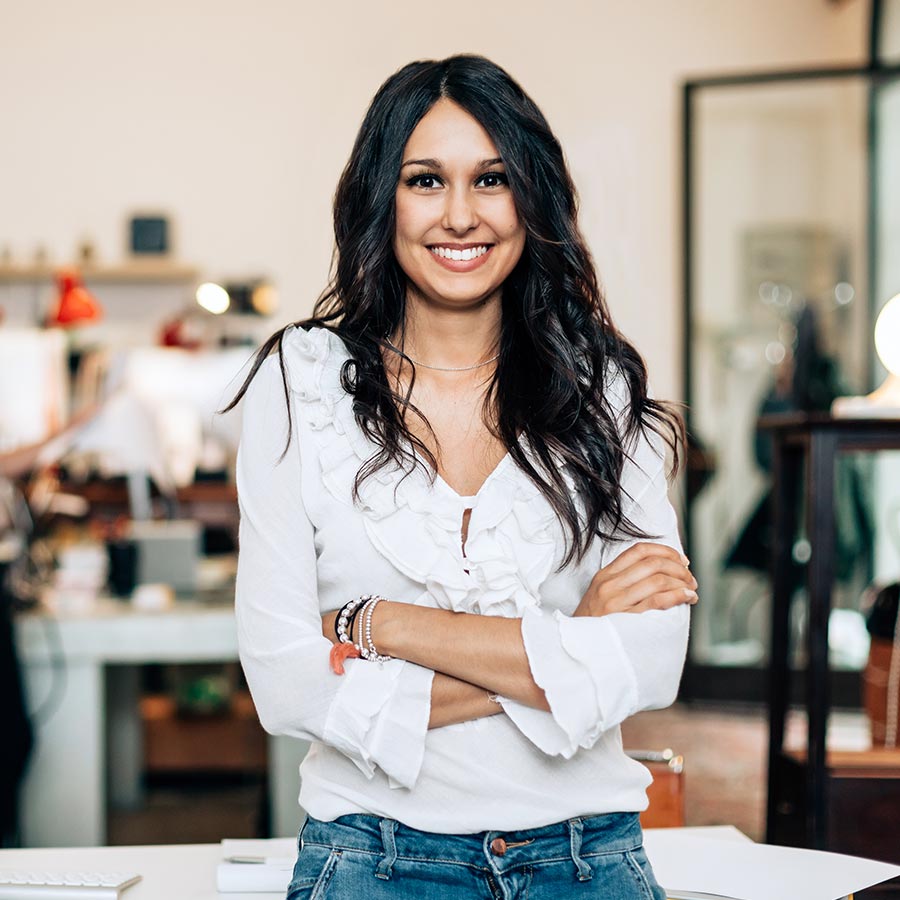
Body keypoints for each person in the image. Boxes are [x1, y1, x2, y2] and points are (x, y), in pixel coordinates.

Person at [230, 54, 697, 900]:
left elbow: (654, 659)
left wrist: (387, 624)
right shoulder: (299, 383)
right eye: (424, 180)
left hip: (587, 859)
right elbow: (286, 683)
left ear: (531, 197)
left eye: (491, 178)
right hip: (373, 859)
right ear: (383, 197)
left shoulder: (600, 386)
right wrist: (568, 640)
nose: (459, 215)